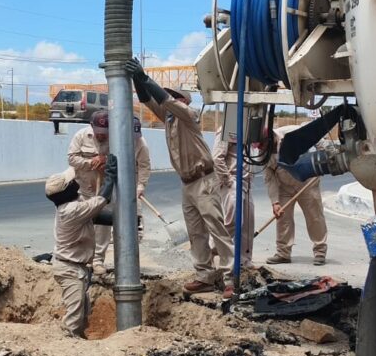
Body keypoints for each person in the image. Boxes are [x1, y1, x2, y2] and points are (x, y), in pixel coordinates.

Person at [127, 58, 235, 296]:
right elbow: (147, 99)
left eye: (174, 96)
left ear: (183, 100)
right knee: (195, 232)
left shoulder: (188, 114)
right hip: (187, 183)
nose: (169, 98)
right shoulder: (170, 119)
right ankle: (205, 276)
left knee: (217, 229)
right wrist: (137, 79)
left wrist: (145, 77)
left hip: (204, 179)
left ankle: (230, 279)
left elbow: (163, 98)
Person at [68, 111, 152, 275]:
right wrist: (91, 162)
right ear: (91, 127)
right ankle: (81, 259)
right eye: (98, 133)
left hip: (108, 188)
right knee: (83, 225)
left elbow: (142, 165)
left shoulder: (121, 139)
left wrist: (140, 185)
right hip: (85, 187)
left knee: (103, 226)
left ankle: (99, 260)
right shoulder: (80, 136)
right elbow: (71, 159)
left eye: (104, 134)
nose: (101, 136)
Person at [45, 155, 117, 338]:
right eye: (72, 182)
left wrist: (121, 220)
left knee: (82, 315)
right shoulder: (71, 210)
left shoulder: (70, 205)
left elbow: (93, 216)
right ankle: (67, 347)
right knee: (74, 319)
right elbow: (103, 199)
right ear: (68, 190)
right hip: (69, 269)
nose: (75, 180)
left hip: (74, 267)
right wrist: (110, 175)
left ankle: (77, 341)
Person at [262, 124, 328, 265]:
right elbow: (269, 178)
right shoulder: (263, 153)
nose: (263, 148)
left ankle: (320, 251)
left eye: (264, 144)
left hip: (307, 182)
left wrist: (323, 157)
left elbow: (316, 134)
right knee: (282, 218)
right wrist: (275, 202)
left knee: (314, 217)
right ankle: (283, 253)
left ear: (271, 137)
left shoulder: (290, 133)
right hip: (284, 186)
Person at [213, 125, 254, 268]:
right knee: (233, 222)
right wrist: (228, 180)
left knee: (247, 223)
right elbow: (217, 157)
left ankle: (244, 260)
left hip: (246, 182)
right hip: (233, 180)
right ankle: (215, 252)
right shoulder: (227, 127)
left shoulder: (249, 129)